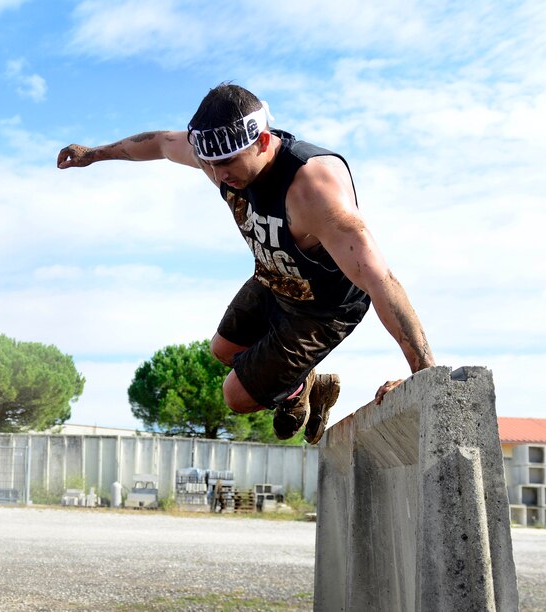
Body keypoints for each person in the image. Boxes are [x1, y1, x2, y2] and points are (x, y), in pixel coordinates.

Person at [57, 83, 434, 445]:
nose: (220, 176)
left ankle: (297, 383)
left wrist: (424, 376)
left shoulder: (314, 190)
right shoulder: (217, 154)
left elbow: (380, 279)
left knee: (235, 396)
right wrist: (93, 154)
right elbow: (158, 143)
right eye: (210, 163)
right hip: (275, 279)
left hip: (323, 308)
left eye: (229, 163)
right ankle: (304, 386)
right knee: (222, 350)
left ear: (264, 142)